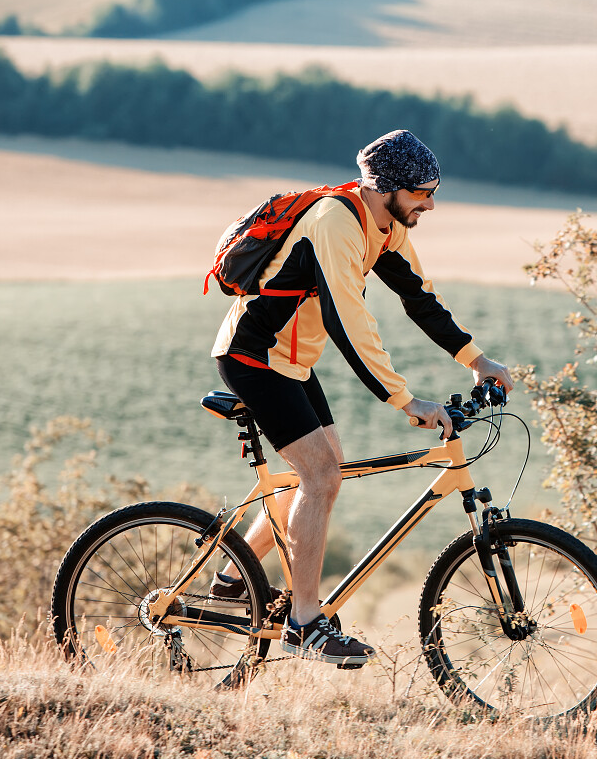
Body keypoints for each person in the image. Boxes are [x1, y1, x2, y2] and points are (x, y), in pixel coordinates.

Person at [209, 129, 514, 665]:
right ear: (388, 187)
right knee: (321, 475)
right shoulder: (335, 223)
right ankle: (305, 624)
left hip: (294, 363)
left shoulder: (385, 226)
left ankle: (235, 573)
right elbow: (348, 318)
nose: (431, 203)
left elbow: (420, 299)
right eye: (422, 192)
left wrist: (477, 360)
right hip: (253, 358)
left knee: (321, 471)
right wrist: (404, 400)